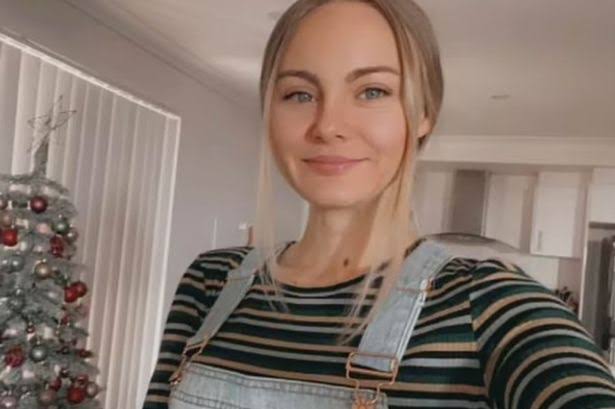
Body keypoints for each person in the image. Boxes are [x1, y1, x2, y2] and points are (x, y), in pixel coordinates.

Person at [143, 0, 615, 408]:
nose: (328, 125)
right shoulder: (211, 282)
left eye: (372, 91)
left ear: (424, 114)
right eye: (299, 94)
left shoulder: (492, 306)